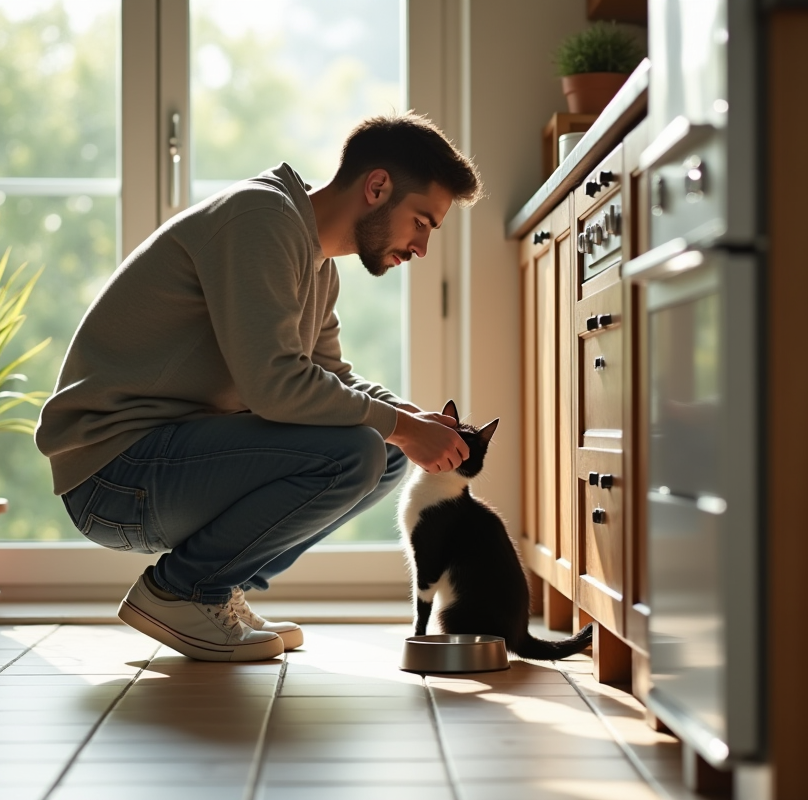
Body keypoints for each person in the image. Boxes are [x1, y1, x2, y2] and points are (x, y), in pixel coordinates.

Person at [35, 113, 484, 662]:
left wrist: (408, 419)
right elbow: (276, 386)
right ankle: (183, 590)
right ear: (377, 187)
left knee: (387, 454)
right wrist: (399, 426)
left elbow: (332, 379)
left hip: (166, 459)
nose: (421, 248)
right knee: (362, 450)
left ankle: (216, 586)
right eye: (422, 222)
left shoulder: (317, 265)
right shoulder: (261, 220)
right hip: (114, 475)